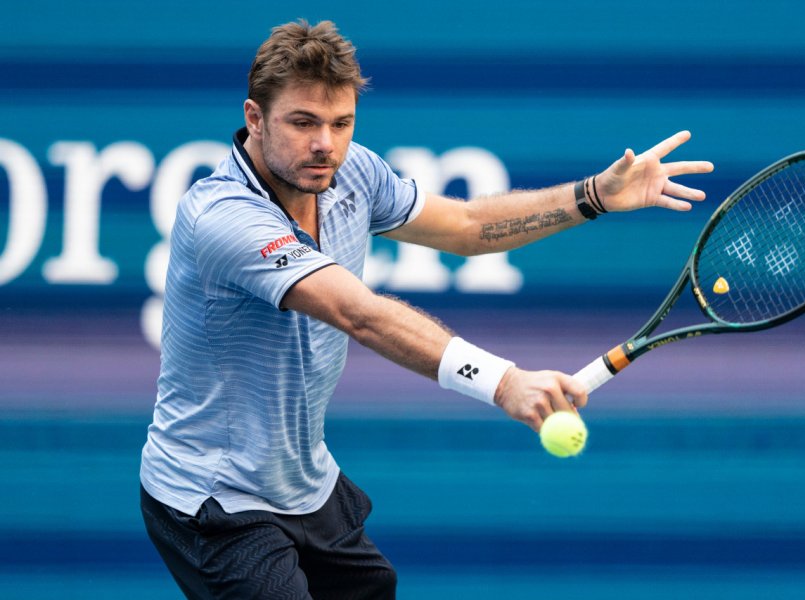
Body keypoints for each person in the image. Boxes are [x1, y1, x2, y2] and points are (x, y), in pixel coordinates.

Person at [139, 18, 714, 600]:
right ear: (255, 118)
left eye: (341, 124)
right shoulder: (223, 217)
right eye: (303, 122)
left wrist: (592, 196)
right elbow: (358, 314)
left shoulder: (350, 171)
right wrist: (503, 381)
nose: (325, 144)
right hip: (213, 498)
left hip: (303, 482)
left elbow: (465, 228)